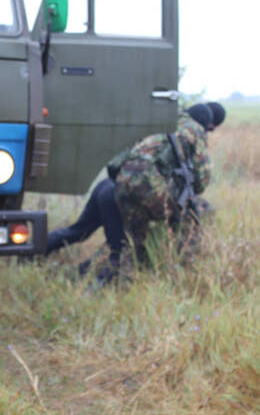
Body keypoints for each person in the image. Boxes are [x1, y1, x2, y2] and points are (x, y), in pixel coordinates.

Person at [47, 102, 225, 282]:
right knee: (127, 248)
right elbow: (202, 179)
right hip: (135, 193)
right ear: (208, 125)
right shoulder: (194, 132)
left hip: (110, 185)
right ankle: (96, 285)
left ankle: (35, 252)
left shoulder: (161, 122)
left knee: (78, 232)